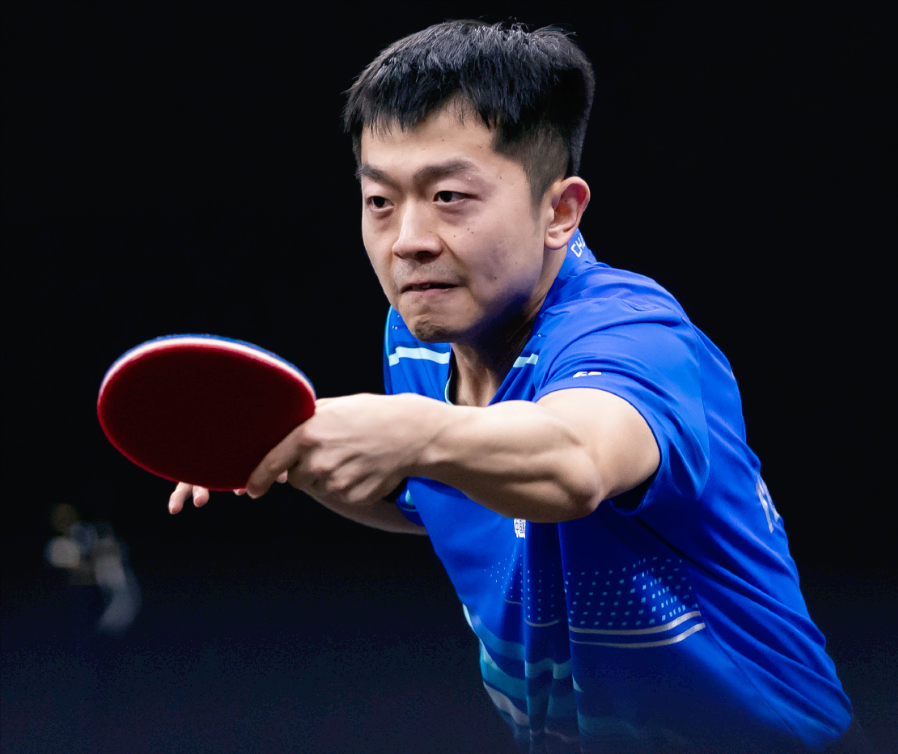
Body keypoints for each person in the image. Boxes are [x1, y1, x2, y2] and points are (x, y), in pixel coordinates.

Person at [169, 20, 868, 754]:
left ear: (559, 211)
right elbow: (449, 497)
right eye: (380, 201)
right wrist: (302, 457)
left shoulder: (634, 335)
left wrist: (411, 432)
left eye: (449, 196)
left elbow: (575, 463)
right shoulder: (416, 335)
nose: (408, 240)